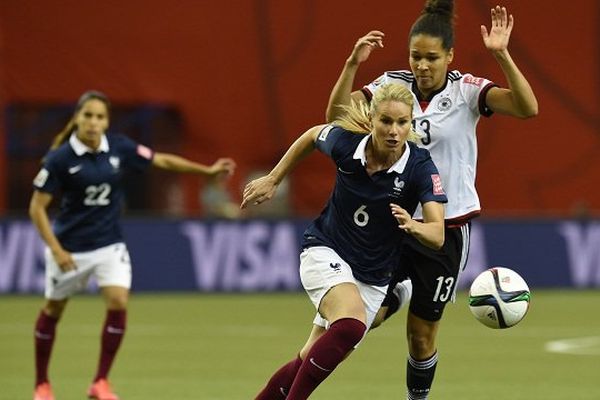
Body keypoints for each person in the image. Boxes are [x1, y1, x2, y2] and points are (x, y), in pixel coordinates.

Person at [326, 2, 538, 399]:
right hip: (392, 219)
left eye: (431, 58)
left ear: (450, 56)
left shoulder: (468, 92)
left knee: (420, 338)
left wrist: (502, 55)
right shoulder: (392, 87)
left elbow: (528, 108)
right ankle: (398, 290)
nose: (422, 66)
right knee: (359, 320)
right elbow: (336, 115)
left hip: (445, 229)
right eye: (415, 56)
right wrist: (351, 65)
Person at [242, 82, 448, 399]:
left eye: (402, 122)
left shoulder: (420, 166)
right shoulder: (346, 145)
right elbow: (313, 135)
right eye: (386, 121)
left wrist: (414, 226)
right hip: (325, 249)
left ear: (411, 123)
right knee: (350, 325)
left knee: (309, 357)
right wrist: (274, 178)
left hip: (373, 278)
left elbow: (437, 234)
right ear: (371, 120)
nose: (394, 131)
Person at [30, 90, 236, 400]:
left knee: (118, 302)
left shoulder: (119, 147)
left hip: (109, 244)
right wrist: (57, 250)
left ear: (106, 121)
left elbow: (161, 160)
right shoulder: (60, 159)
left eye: (100, 117)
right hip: (70, 249)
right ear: (77, 118)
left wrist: (205, 172)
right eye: (88, 116)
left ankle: (100, 381)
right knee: (54, 309)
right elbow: (36, 208)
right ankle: (42, 384)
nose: (93, 122)